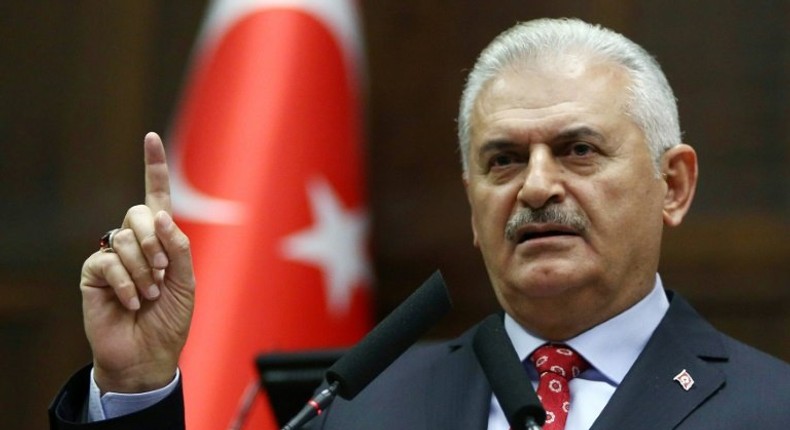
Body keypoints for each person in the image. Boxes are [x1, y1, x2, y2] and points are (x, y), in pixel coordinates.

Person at [50, 18, 790, 430]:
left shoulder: (770, 408)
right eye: (503, 161)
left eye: (577, 150)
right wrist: (137, 384)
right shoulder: (363, 408)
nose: (535, 187)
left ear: (673, 184)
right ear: (473, 203)